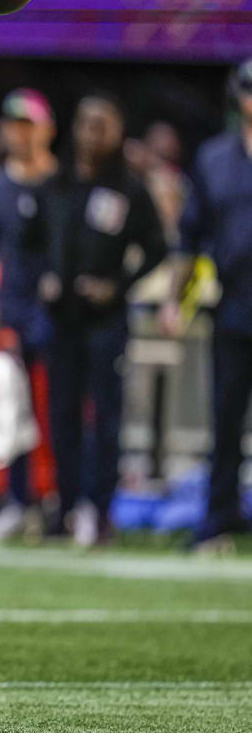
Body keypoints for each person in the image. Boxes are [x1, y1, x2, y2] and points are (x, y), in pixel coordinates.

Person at [25, 93, 166, 546]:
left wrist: (118, 285)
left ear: (118, 131)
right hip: (61, 318)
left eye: (104, 125)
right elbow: (27, 244)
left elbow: (157, 248)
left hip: (105, 321)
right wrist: (43, 278)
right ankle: (64, 508)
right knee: (61, 415)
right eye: (88, 123)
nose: (94, 133)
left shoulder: (129, 188)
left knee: (105, 417)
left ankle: (100, 511)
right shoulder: (55, 185)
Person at [161, 58, 252, 547]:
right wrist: (177, 301)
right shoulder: (215, 158)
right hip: (235, 304)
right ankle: (219, 516)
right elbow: (190, 238)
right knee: (226, 416)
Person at [0, 89, 58, 539]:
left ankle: (60, 502)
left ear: (47, 129)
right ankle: (17, 500)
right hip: (11, 312)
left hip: (60, 314)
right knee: (11, 410)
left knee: (58, 410)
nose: (19, 133)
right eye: (13, 125)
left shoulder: (62, 183)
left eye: (28, 124)